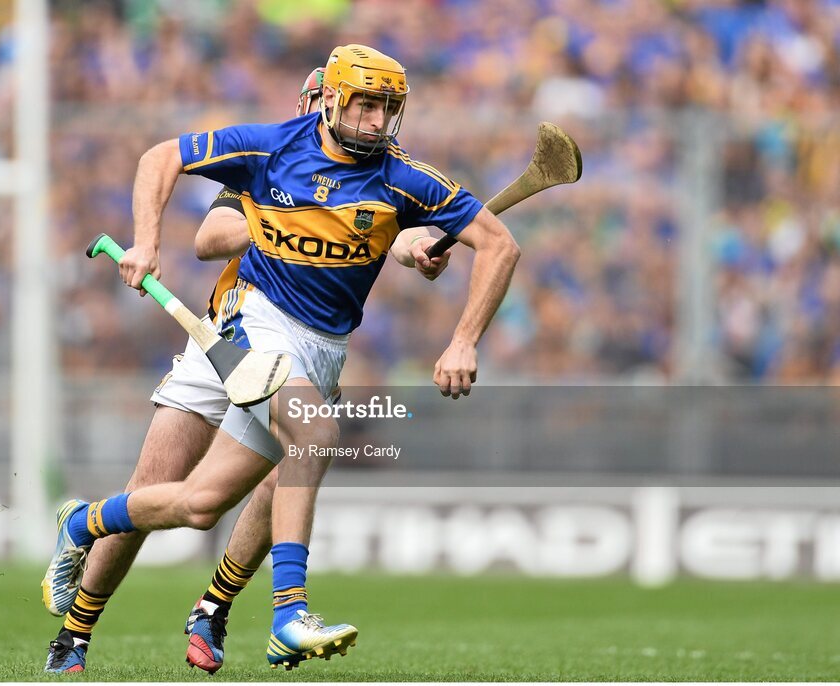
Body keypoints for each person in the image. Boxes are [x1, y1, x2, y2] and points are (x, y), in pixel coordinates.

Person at [42, 43, 520, 672]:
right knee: (304, 435)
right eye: (366, 106)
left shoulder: (400, 179)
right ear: (327, 102)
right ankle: (267, 616)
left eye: (388, 109)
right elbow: (185, 195)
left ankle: (94, 530)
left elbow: (483, 244)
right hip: (242, 324)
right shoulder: (269, 155)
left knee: (200, 504)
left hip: (319, 349)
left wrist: (441, 299)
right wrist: (155, 239)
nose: (377, 122)